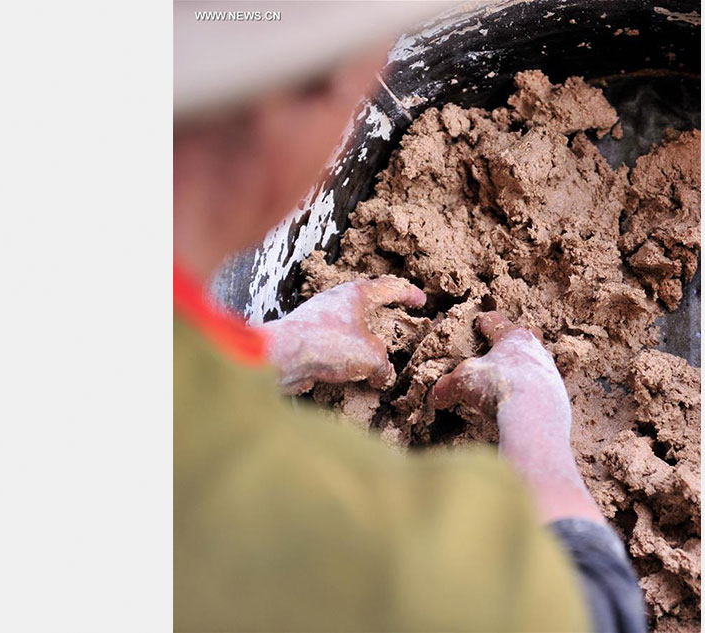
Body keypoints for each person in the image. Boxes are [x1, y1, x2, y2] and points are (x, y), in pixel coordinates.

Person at [174, 38, 647, 633]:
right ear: (292, 106)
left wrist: (275, 349)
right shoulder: (308, 523)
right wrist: (537, 422)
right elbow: (594, 607)